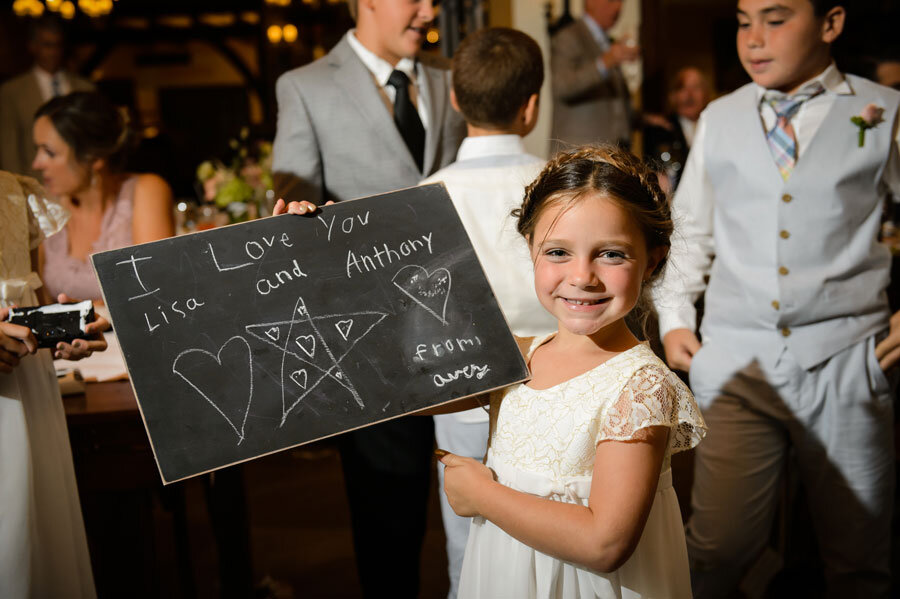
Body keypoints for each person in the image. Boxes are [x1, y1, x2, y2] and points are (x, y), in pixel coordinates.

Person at [651, 1, 900, 596]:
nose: (754, 40)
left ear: (832, 24)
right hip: (737, 363)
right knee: (716, 549)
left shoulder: (883, 110)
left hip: (847, 362)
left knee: (859, 556)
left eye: (776, 19)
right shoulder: (720, 116)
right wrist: (675, 317)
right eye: (743, 22)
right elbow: (690, 230)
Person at [427, 145, 704, 598]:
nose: (583, 276)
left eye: (611, 255)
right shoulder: (516, 358)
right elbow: (395, 389)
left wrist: (482, 497)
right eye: (557, 251)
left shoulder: (641, 388)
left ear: (652, 260)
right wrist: (321, 253)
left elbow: (605, 542)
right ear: (530, 248)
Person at [270, 0, 465, 594]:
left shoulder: (448, 80)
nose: (429, 11)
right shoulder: (303, 86)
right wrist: (297, 219)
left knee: (481, 507)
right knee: (389, 523)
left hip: (459, 322)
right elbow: (291, 204)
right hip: (369, 337)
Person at [417, 27, 559, 598]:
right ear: (531, 106)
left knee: (471, 558)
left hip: (461, 401)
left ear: (454, 100)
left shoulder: (425, 197)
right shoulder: (560, 188)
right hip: (556, 396)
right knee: (553, 556)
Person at [0, 171, 108, 598]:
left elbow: (25, 294)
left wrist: (61, 333)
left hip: (26, 387)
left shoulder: (11, 188)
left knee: (32, 542)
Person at [32, 91, 174, 302]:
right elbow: (38, 302)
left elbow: (157, 292)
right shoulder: (44, 210)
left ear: (94, 158)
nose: (36, 164)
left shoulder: (145, 190)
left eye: (49, 153)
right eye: (37, 150)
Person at [0, 15, 93, 178]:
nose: (54, 52)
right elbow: (10, 151)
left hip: (81, 181)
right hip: (36, 184)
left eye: (58, 45)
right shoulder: (12, 92)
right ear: (33, 46)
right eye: (47, 45)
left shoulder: (85, 88)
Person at [550, 0, 639, 150]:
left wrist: (644, 119)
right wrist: (605, 62)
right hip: (578, 155)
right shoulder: (568, 36)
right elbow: (562, 87)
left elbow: (613, 105)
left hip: (611, 153)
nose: (618, 7)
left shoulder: (608, 42)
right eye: (612, 1)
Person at [643, 67, 712, 192]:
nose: (689, 95)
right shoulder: (660, 131)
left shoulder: (714, 127)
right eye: (682, 88)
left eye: (696, 87)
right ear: (673, 96)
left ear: (706, 94)